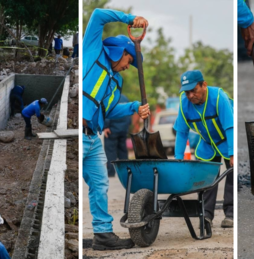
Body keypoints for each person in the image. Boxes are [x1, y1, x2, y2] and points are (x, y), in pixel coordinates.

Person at [83, 8, 150, 250]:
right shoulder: (93, 49)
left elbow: (108, 111)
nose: (126, 67)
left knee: (100, 185)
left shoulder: (115, 81)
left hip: (92, 140)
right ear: (121, 51)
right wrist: (129, 20)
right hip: (77, 134)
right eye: (128, 61)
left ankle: (102, 235)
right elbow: (99, 14)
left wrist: (134, 107)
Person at [173, 70, 234, 228]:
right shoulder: (184, 103)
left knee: (232, 175)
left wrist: (232, 153)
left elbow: (229, 127)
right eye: (187, 92)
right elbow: (181, 132)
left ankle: (231, 214)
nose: (191, 95)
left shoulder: (219, 97)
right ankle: (206, 215)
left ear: (204, 85)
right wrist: (178, 159)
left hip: (227, 140)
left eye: (194, 90)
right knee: (206, 178)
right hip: (207, 144)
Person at [103, 94, 132, 177]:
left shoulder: (109, 98)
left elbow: (107, 113)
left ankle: (111, 172)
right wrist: (127, 126)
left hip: (112, 129)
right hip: (123, 129)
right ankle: (126, 171)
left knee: (110, 151)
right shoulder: (125, 98)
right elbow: (129, 113)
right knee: (123, 151)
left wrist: (106, 126)